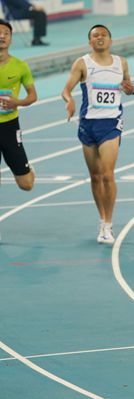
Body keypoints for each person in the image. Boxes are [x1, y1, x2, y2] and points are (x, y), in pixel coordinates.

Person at [61, 25, 134, 244]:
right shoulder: (82, 63)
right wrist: (69, 100)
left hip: (111, 124)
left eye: (103, 35)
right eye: (95, 36)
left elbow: (129, 86)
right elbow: (66, 90)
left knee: (107, 174)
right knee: (95, 176)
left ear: (110, 40)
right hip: (88, 124)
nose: (100, 38)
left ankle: (109, 224)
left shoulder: (121, 62)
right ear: (90, 42)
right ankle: (102, 220)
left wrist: (131, 90)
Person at [0, 19, 38, 240]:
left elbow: (33, 96)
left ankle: (29, 170)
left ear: (11, 38)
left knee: (26, 185)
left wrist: (18, 102)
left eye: (6, 33)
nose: (1, 36)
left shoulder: (20, 66)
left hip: (9, 127)